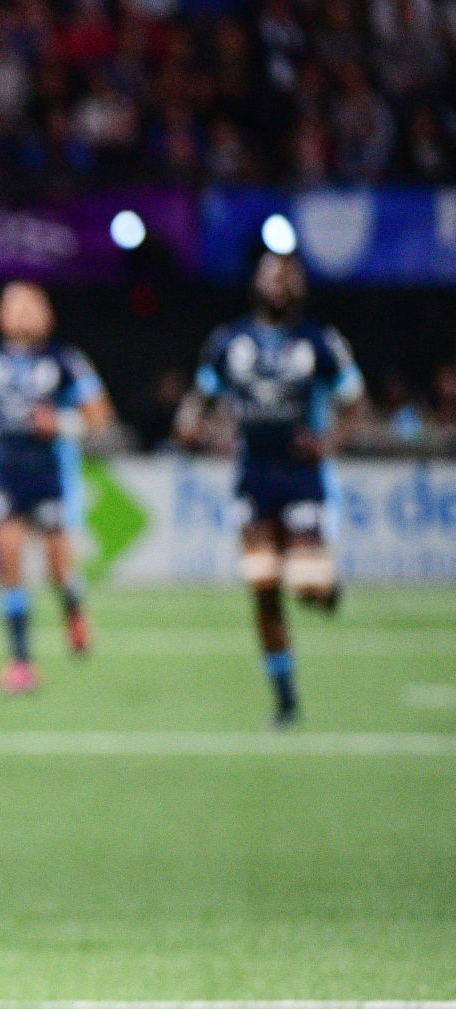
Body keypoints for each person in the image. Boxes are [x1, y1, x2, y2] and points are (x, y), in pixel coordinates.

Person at [176, 251, 363, 727]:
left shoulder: (319, 341)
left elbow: (353, 402)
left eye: (289, 276)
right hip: (253, 477)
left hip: (302, 477)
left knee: (304, 584)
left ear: (300, 286)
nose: (280, 283)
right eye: (271, 275)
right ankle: (285, 698)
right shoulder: (228, 341)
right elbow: (198, 404)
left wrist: (330, 443)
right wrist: (195, 429)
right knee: (262, 584)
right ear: (255, 283)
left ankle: (325, 591)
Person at [0, 281, 114, 693]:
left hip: (50, 475)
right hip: (4, 473)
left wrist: (60, 424)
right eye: (14, 305)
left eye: (31, 305)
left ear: (47, 316)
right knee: (9, 568)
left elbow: (100, 417)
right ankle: (21, 661)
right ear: (0, 316)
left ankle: (74, 607)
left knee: (59, 569)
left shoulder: (65, 360)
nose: (22, 313)